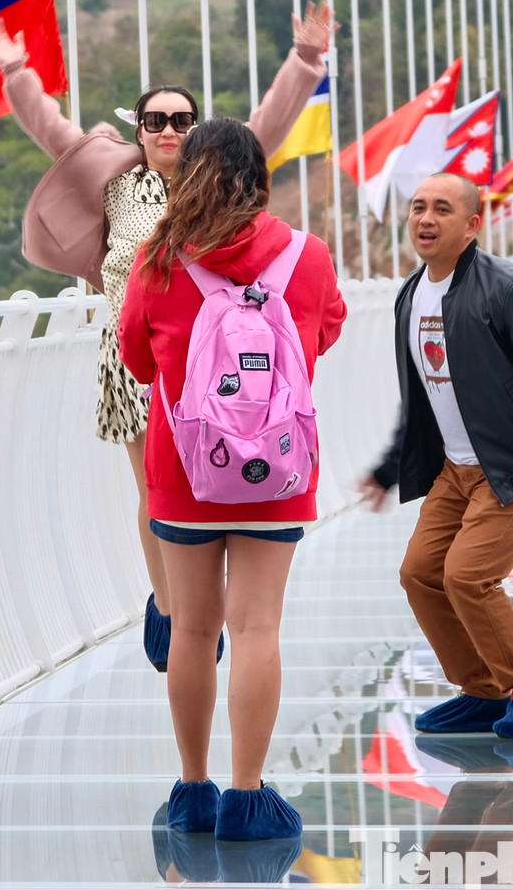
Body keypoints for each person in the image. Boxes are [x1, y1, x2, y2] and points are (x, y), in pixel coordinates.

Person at [0, 2, 334, 673]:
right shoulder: (114, 179)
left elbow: (269, 124)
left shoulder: (218, 183)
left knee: (209, 477)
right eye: (156, 120)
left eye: (181, 119)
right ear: (138, 128)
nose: (169, 130)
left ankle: (197, 605)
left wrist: (307, 59)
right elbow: (50, 127)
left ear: (195, 128)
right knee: (155, 490)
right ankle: (176, 607)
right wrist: (16, 70)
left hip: (212, 356)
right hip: (136, 357)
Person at [118, 117, 346, 840]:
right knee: (257, 626)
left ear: (186, 177)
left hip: (185, 472)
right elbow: (325, 332)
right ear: (261, 178)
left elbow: (137, 360)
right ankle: (248, 798)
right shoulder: (306, 256)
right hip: (276, 472)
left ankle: (192, 790)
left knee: (191, 628)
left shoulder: (157, 259)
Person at [361, 173, 513, 738]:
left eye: (442, 208)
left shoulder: (510, 288)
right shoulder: (411, 294)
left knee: (468, 576)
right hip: (453, 471)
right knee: (420, 574)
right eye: (418, 208)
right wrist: (389, 469)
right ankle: (483, 691)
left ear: (473, 224)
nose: (426, 219)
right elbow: (418, 395)